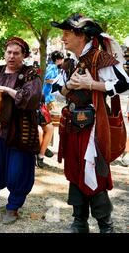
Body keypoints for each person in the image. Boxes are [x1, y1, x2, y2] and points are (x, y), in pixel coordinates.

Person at [52, 13, 129, 233]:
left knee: (94, 170)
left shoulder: (99, 58)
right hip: (72, 125)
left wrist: (92, 84)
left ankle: (106, 225)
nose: (63, 37)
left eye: (67, 33)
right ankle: (79, 222)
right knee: (74, 169)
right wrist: (70, 87)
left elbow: (125, 84)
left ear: (82, 36)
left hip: (94, 126)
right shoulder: (69, 63)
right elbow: (57, 93)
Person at [0, 36, 42, 224]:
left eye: (16, 53)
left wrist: (9, 92)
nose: (11, 56)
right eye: (9, 52)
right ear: (5, 53)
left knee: (17, 171)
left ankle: (13, 207)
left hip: (19, 133)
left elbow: (32, 99)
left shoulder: (30, 74)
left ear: (24, 55)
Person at [36, 96, 54, 169]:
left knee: (50, 128)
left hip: (37, 114)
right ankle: (43, 149)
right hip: (26, 117)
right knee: (39, 131)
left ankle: (41, 155)